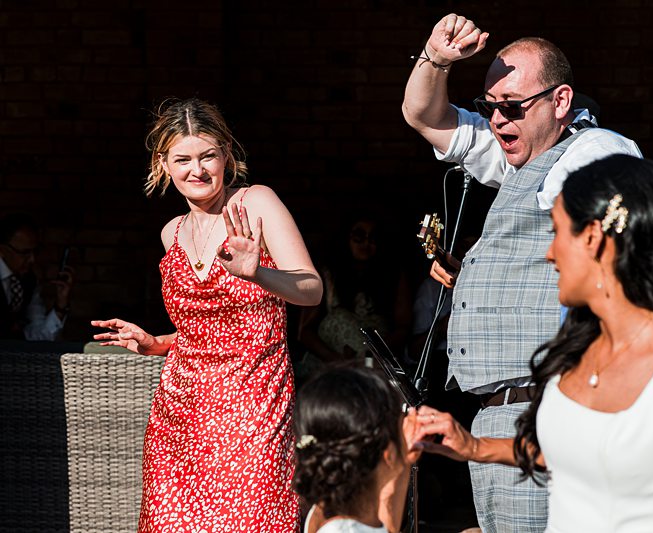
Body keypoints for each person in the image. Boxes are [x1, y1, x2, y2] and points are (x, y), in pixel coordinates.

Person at [412, 155, 653, 532]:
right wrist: (475, 447)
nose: (549, 253)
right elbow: (580, 449)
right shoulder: (579, 348)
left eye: (556, 232)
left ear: (592, 237)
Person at [402, 13, 643, 532]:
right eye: (489, 108)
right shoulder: (517, 151)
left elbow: (608, 260)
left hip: (548, 405)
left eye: (511, 107)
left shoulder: (594, 152)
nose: (497, 120)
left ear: (560, 102)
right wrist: (436, 60)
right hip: (498, 411)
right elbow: (423, 114)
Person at [92, 98, 323, 532]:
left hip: (253, 409)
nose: (197, 170)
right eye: (183, 159)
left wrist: (260, 273)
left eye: (207, 156)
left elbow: (311, 290)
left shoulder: (256, 203)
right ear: (163, 164)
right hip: (180, 414)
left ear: (227, 156)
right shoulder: (171, 232)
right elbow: (210, 333)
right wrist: (157, 343)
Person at [293, 366, 421, 533]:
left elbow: (387, 527)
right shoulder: (347, 528)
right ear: (388, 454)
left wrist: (404, 457)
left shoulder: (325, 509)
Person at [297, 216, 411, 375]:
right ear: (346, 238)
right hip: (330, 365)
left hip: (375, 365)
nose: (366, 243)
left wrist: (370, 355)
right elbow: (304, 332)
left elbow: (403, 328)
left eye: (373, 237)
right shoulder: (328, 274)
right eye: (359, 236)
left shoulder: (393, 276)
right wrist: (336, 360)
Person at [0, 213, 73, 341]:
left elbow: (39, 335)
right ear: (2, 250)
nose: (32, 259)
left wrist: (60, 304)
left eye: (35, 251)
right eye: (24, 253)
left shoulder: (28, 281)